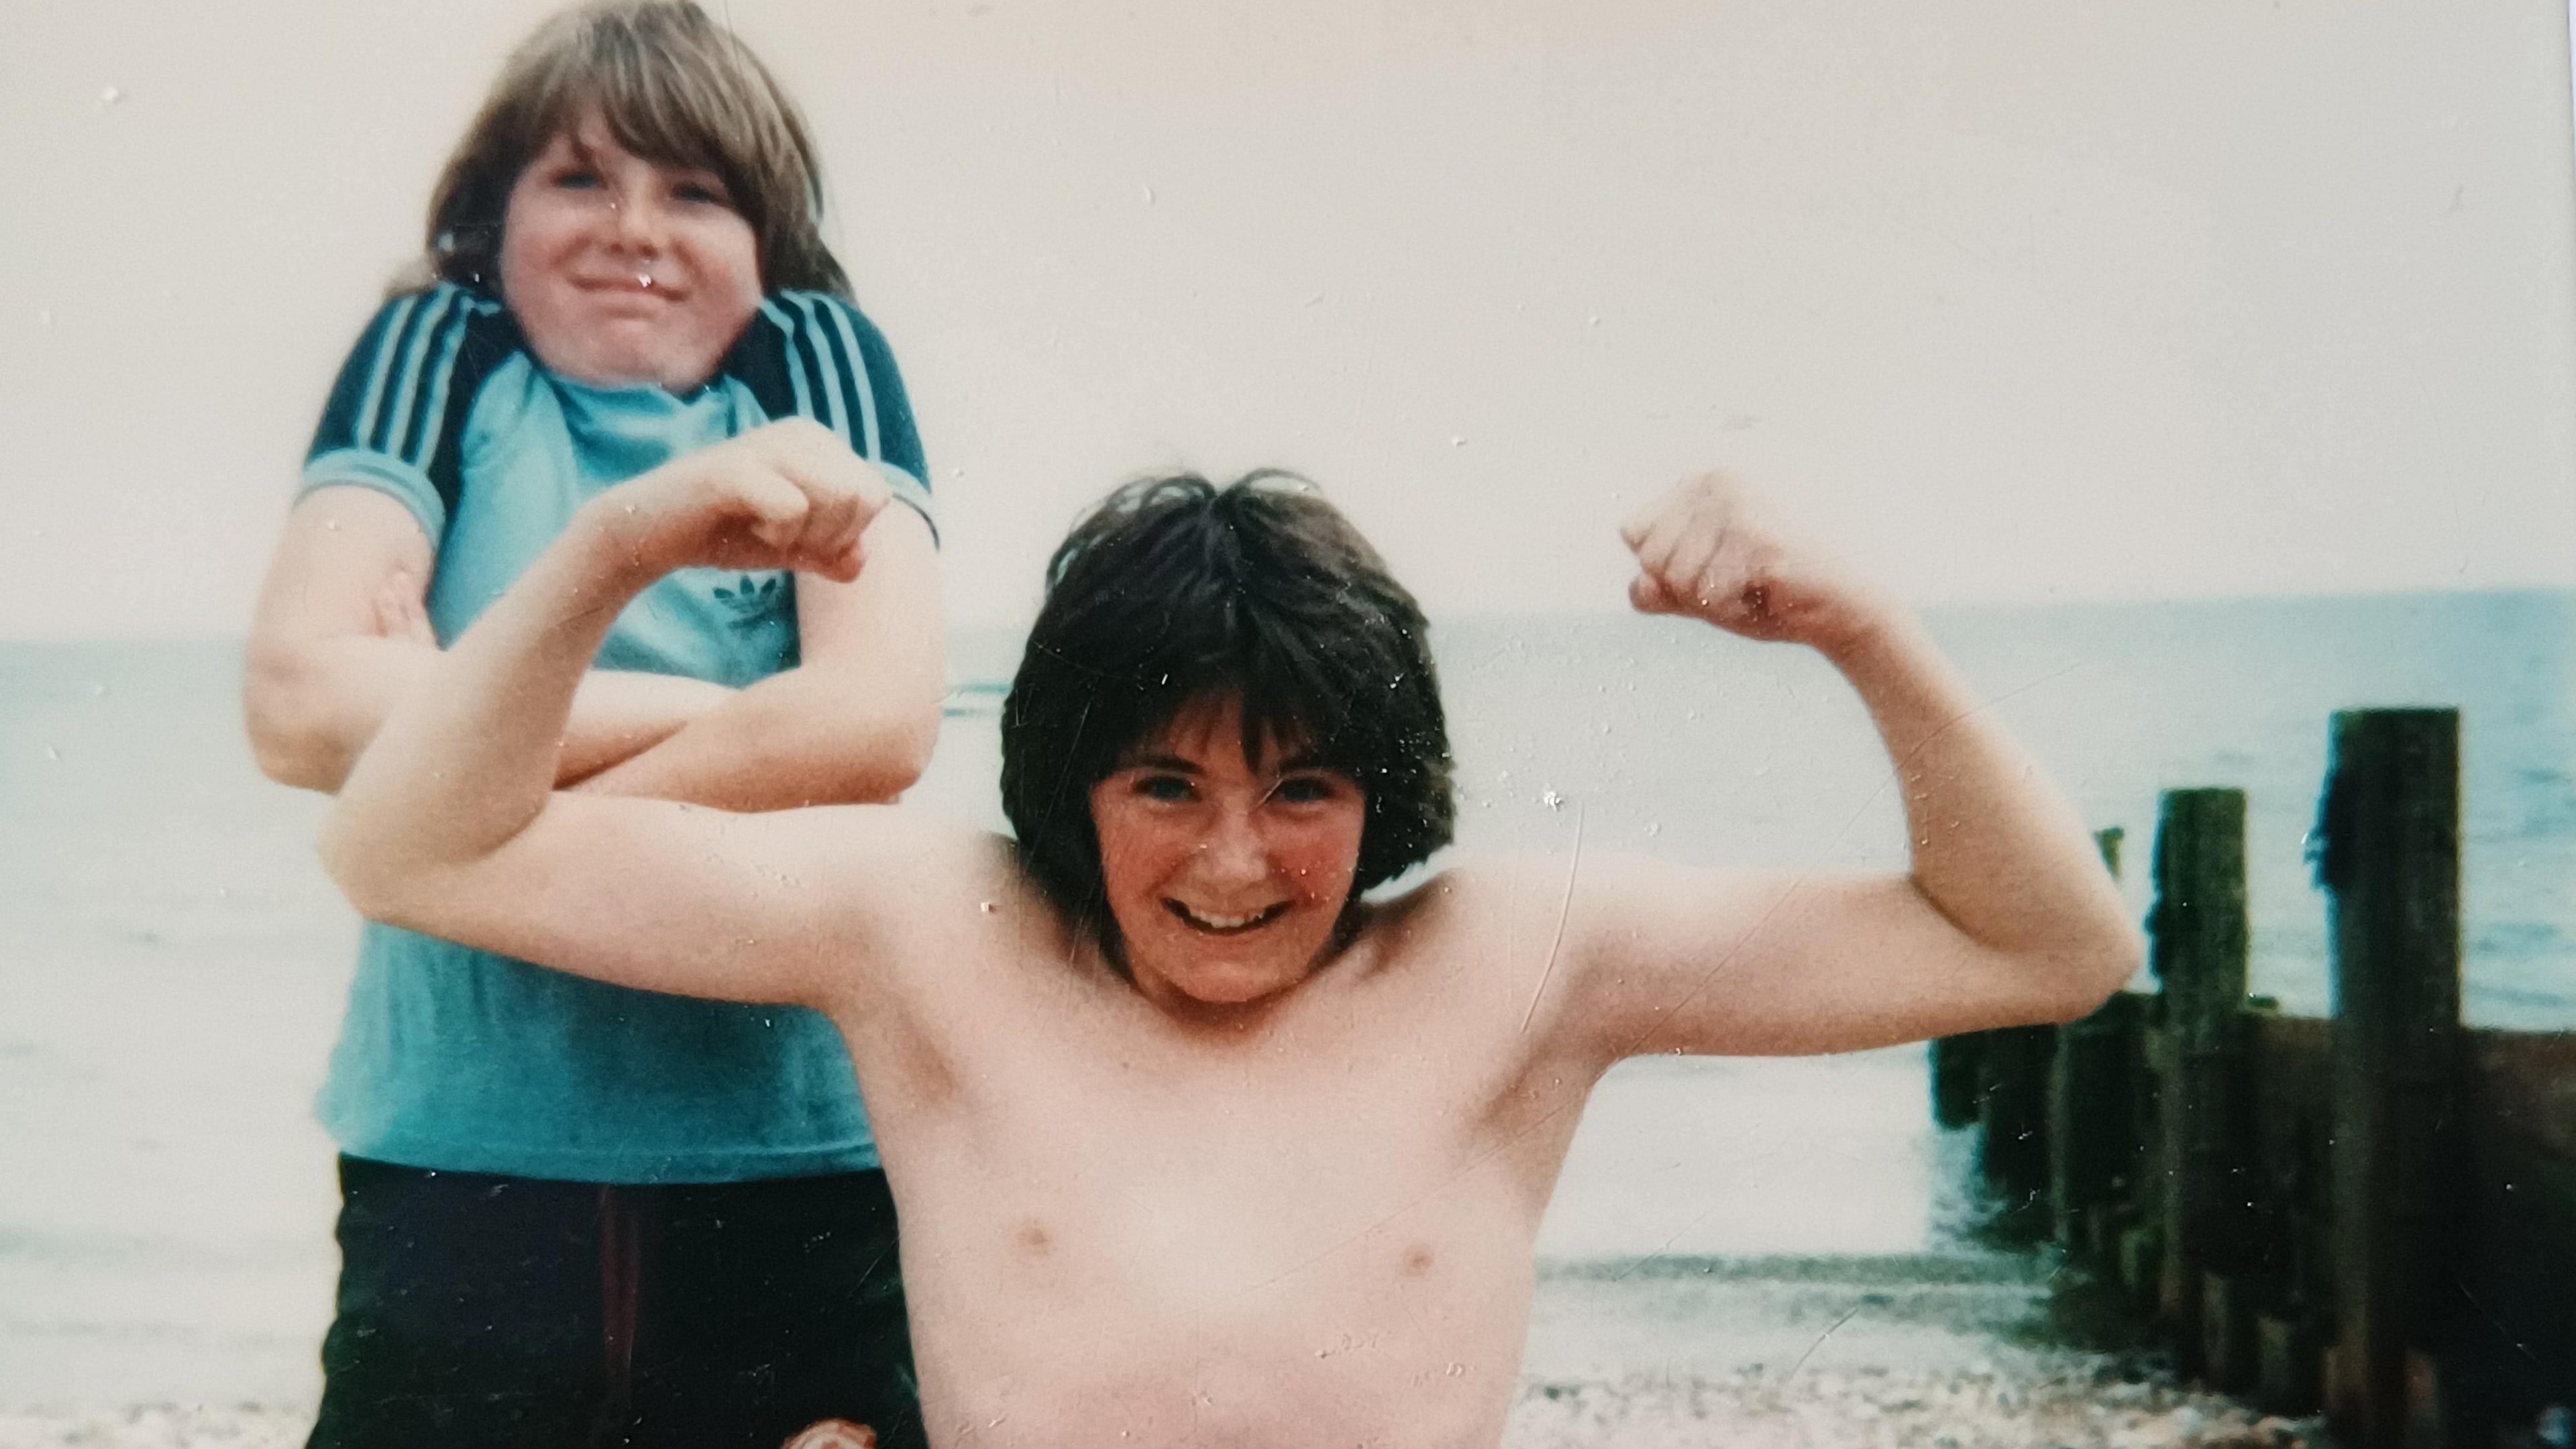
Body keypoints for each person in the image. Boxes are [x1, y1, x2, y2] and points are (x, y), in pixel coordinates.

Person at [317, 456, 2141, 1449]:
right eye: (1166, 785)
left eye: (1306, 787)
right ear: (1068, 784)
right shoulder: (934, 930)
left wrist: (1859, 629)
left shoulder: (1524, 960)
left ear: (1390, 789)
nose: (1237, 861)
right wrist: (618, 548)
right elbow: (408, 848)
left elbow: (2044, 947)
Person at [239, 5, 942, 1446]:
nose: (638, 227)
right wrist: (738, 718)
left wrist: (464, 782)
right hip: (454, 1171)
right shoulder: (438, 351)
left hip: (790, 1172)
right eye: (579, 178)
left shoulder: (815, 359)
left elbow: (875, 724)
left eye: (696, 190)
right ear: (488, 218)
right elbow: (302, 701)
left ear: (771, 237)